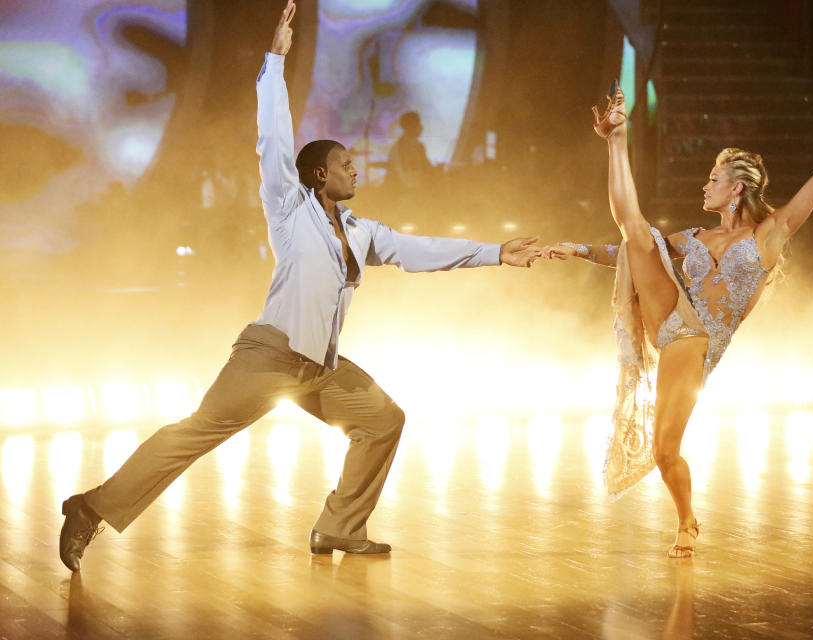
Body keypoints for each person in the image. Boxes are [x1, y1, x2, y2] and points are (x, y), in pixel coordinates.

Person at [58, 0, 542, 572]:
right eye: (345, 163)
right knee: (193, 435)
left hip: (320, 367)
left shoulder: (362, 232)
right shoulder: (289, 209)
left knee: (383, 421)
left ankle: (339, 527)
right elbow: (272, 141)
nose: (354, 169)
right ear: (319, 174)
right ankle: (89, 508)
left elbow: (420, 250)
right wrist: (274, 63)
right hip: (269, 356)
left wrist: (495, 253)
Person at [543, 83, 813, 557]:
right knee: (638, 235)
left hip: (699, 341)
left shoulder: (769, 234)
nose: (705, 185)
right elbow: (630, 250)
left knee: (664, 452)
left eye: (713, 178)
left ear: (736, 187)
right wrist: (578, 250)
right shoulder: (695, 235)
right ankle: (617, 140)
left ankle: (687, 521)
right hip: (672, 322)